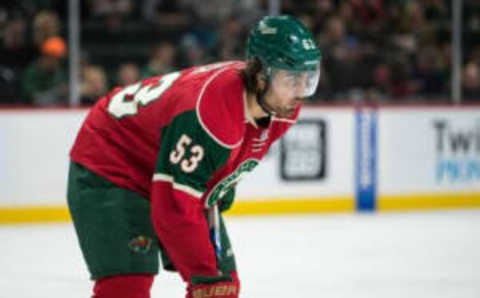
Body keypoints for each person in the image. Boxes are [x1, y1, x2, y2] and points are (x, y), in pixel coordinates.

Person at [67, 15, 321, 298]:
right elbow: (174, 207)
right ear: (260, 74)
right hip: (112, 160)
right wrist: (205, 275)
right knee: (127, 287)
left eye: (308, 78)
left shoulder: (282, 107)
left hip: (164, 162)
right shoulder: (211, 114)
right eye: (291, 79)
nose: (300, 93)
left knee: (221, 290)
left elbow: (220, 168)